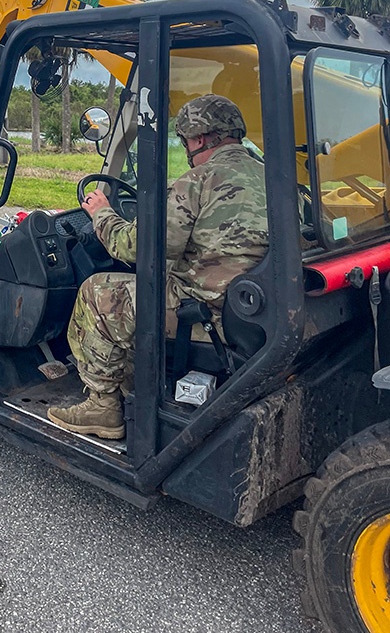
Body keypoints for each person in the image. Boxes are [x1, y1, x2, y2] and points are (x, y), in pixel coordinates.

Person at [47, 94, 269, 440]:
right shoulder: (271, 177)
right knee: (148, 287)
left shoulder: (196, 182)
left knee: (97, 291)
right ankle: (131, 378)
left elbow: (133, 246)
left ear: (197, 138)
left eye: (185, 142)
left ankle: (102, 405)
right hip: (250, 308)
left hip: (203, 313)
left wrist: (101, 212)